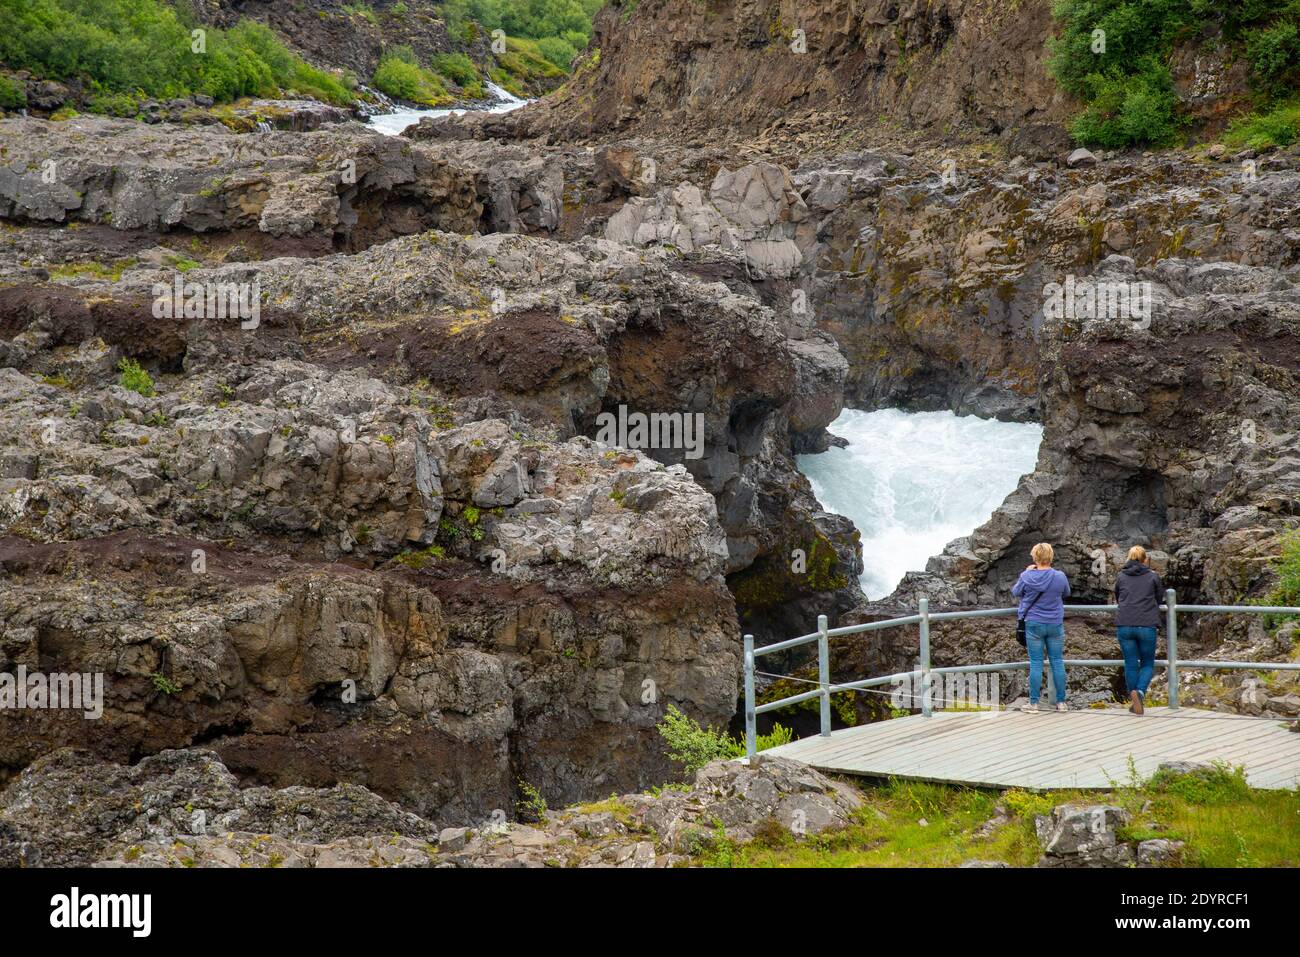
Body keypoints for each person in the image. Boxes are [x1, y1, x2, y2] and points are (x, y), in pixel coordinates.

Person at [1012, 542, 1071, 712]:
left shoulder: (1027, 576)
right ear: (1050, 557)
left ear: (1035, 557)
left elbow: (1016, 592)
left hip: (1034, 623)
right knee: (1057, 662)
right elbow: (1066, 592)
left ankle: (1033, 703)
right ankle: (1061, 703)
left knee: (1036, 663)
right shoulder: (1060, 576)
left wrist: (1027, 572)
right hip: (1055, 623)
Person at [1114, 545, 1162, 715]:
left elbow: (1118, 595)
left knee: (1131, 663)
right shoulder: (1152, 576)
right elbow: (1159, 597)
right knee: (1148, 663)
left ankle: (1133, 699)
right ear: (1145, 559)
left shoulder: (1121, 576)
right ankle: (1139, 693)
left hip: (1125, 623)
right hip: (1146, 624)